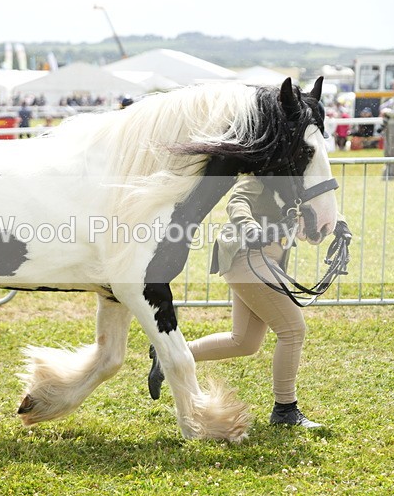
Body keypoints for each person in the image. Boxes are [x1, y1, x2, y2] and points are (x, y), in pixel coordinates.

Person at [147, 175, 351, 428]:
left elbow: (317, 201)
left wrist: (340, 224)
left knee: (244, 342)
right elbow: (237, 201)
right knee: (292, 330)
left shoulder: (298, 172)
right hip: (246, 256)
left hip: (266, 261)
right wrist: (250, 226)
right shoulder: (261, 171)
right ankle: (285, 410)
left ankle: (168, 354)